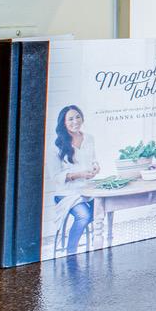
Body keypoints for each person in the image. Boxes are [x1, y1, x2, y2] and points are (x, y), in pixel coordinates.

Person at [47, 104, 99, 256]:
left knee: (104, 207)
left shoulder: (89, 138)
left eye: (78, 117)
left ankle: (97, 246)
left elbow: (93, 160)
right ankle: (71, 253)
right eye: (70, 119)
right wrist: (79, 174)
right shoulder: (56, 145)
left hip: (88, 189)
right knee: (84, 216)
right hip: (67, 193)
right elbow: (55, 177)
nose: (75, 121)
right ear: (63, 122)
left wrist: (96, 167)